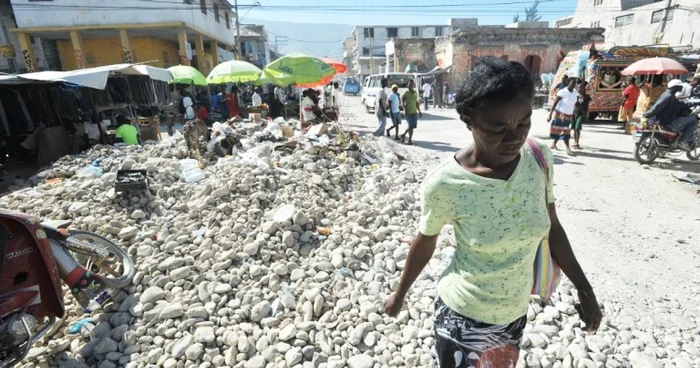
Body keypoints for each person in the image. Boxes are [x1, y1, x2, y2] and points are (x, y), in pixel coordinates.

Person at [384, 57, 601, 368]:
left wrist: (585, 289)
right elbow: (425, 242)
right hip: (462, 318)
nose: (514, 138)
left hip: (514, 317)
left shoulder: (539, 158)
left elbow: (552, 227)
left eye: (524, 122)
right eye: (498, 128)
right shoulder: (446, 183)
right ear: (470, 121)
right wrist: (399, 294)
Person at [643, 79, 698, 152]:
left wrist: (695, 102)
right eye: (680, 86)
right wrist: (647, 114)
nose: (681, 88)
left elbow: (683, 105)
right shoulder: (668, 96)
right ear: (675, 87)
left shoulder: (670, 96)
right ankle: (683, 141)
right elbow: (657, 107)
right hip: (667, 121)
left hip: (664, 119)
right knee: (693, 121)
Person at [549, 77, 579, 155]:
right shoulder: (562, 92)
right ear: (568, 83)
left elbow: (576, 103)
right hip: (560, 114)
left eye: (575, 83)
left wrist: (583, 111)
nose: (574, 85)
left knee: (562, 130)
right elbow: (554, 104)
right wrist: (550, 114)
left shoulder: (575, 92)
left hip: (569, 115)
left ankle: (554, 144)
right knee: (563, 131)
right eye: (572, 83)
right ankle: (567, 148)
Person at [401, 79, 421, 145]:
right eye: (409, 85)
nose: (410, 86)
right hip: (408, 112)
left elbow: (416, 102)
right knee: (410, 126)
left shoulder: (415, 93)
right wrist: (404, 109)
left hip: (414, 112)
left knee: (412, 126)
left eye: (411, 85)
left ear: (413, 85)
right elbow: (402, 102)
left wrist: (419, 110)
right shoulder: (406, 93)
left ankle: (406, 137)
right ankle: (406, 137)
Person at [573, 81, 592, 149]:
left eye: (581, 87)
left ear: (584, 88)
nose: (579, 89)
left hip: (581, 114)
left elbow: (587, 107)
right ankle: (575, 141)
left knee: (577, 128)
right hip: (573, 113)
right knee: (574, 128)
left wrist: (586, 115)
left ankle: (577, 142)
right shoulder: (575, 95)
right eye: (578, 87)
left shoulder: (586, 97)